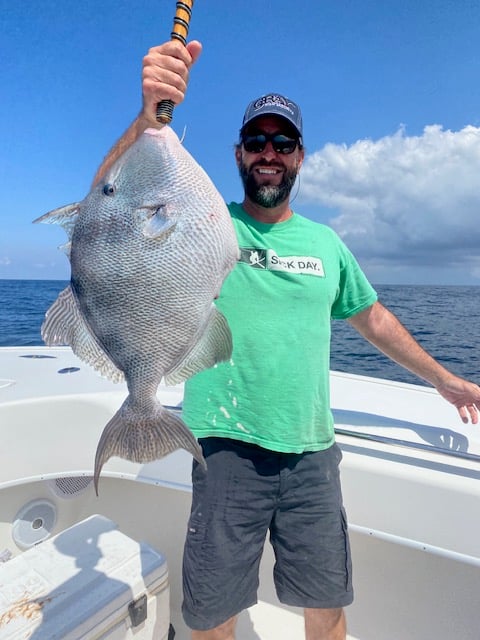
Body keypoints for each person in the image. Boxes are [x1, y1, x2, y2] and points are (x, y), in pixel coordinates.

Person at [94, 40, 480, 640]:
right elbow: (110, 210)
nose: (269, 154)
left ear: (300, 157)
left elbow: (372, 317)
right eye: (257, 142)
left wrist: (446, 380)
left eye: (283, 143)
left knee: (326, 610)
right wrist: (148, 119)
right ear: (239, 153)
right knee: (211, 613)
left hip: (312, 454)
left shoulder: (327, 244)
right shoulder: (204, 224)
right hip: (224, 449)